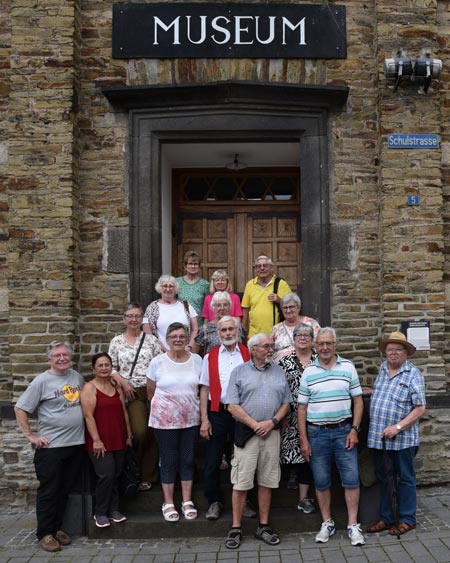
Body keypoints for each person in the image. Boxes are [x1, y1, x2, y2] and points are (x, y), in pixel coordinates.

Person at [14, 341, 85, 553]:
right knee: (49, 491)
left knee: (64, 490)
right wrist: (30, 435)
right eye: (57, 356)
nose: (62, 358)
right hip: (51, 447)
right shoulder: (41, 382)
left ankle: (56, 528)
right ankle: (44, 533)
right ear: (50, 359)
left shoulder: (76, 377)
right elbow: (20, 408)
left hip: (75, 445)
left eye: (65, 355)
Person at [297, 327, 365, 546]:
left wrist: (354, 429)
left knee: (351, 479)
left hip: (344, 431)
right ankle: (327, 522)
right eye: (321, 344)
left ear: (335, 345)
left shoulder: (348, 367)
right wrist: (304, 439)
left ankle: (353, 525)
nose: (324, 347)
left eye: (329, 343)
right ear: (315, 346)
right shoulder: (309, 371)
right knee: (322, 480)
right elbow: (301, 408)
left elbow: (358, 401)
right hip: (317, 434)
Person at [224, 333, 292, 549]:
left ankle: (263, 525)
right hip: (247, 434)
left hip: (271, 433)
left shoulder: (279, 371)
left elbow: (286, 403)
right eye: (265, 347)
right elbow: (231, 405)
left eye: (271, 346)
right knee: (242, 482)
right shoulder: (239, 372)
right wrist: (255, 425)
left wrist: (272, 422)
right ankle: (236, 528)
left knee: (267, 481)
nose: (270, 350)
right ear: (253, 349)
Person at [366, 331, 426, 536]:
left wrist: (398, 427)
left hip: (403, 439)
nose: (392, 353)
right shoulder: (383, 369)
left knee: (406, 478)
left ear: (405, 353)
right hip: (380, 437)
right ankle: (387, 517)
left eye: (397, 350)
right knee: (384, 478)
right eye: (389, 350)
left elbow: (419, 408)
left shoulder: (413, 374)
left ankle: (407, 519)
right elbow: (387, 394)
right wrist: (370, 393)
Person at [146, 322, 202, 522]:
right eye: (173, 337)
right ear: (167, 340)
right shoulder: (157, 362)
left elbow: (202, 389)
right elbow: (151, 392)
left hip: (191, 419)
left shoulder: (197, 360)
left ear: (187, 339)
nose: (178, 340)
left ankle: (187, 500)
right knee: (168, 460)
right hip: (165, 422)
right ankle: (168, 501)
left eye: (181, 336)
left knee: (187, 459)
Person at [199, 316, 251, 521]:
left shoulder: (248, 354)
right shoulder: (209, 357)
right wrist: (204, 419)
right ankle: (214, 502)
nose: (228, 333)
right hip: (217, 412)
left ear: (237, 331)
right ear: (218, 333)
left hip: (242, 413)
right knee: (212, 460)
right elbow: (204, 388)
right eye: (223, 330)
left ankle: (245, 501)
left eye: (231, 329)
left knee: (243, 459)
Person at [108, 302, 162, 491]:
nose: (134, 319)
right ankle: (135, 469)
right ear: (124, 318)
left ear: (142, 319)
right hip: (131, 392)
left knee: (154, 431)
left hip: (152, 389)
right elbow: (111, 368)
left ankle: (149, 475)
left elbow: (160, 364)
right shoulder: (116, 341)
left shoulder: (151, 340)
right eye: (130, 316)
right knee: (139, 432)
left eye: (137, 316)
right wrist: (124, 384)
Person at [81, 353, 133, 528]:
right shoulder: (89, 388)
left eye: (107, 365)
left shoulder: (115, 386)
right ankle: (100, 512)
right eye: (100, 365)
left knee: (116, 474)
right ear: (93, 369)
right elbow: (88, 416)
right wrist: (96, 440)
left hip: (118, 437)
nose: (104, 368)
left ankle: (114, 509)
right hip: (99, 440)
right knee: (106, 474)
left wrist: (128, 434)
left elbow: (124, 412)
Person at [277, 323, 316, 511]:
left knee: (310, 456)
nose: (302, 337)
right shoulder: (284, 361)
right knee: (297, 454)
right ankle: (294, 483)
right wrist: (281, 416)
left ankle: (305, 496)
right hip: (291, 414)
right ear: (294, 339)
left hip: (317, 414)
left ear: (312, 339)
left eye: (307, 335)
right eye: (299, 335)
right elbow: (279, 388)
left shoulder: (320, 359)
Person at [143, 274, 198, 351]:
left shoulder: (186, 305)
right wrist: (165, 351)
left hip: (185, 353)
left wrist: (189, 347)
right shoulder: (151, 308)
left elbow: (195, 329)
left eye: (171, 286)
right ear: (160, 288)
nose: (168, 289)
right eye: (165, 286)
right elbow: (148, 334)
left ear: (176, 289)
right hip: (161, 353)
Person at [241, 255, 292, 338]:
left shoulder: (281, 284)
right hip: (254, 335)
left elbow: (292, 306)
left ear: (271, 268)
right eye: (258, 266)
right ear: (255, 269)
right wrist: (243, 333)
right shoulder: (250, 284)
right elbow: (245, 310)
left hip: (276, 334)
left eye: (265, 265)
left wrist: (279, 300)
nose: (262, 268)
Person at [271, 293, 320, 362]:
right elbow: (270, 350)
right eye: (285, 307)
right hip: (280, 369)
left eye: (291, 307)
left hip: (306, 366)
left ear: (298, 308)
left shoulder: (311, 323)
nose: (288, 310)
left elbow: (320, 344)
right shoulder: (277, 328)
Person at [194, 291, 246, 356]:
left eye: (225, 305)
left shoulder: (238, 326)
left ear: (230, 307)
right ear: (213, 308)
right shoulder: (205, 329)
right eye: (218, 305)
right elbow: (196, 354)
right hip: (213, 364)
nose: (222, 308)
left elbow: (244, 349)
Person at [176, 250, 210, 324]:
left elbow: (207, 307)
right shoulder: (177, 282)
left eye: (195, 264)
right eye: (190, 264)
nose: (193, 266)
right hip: (181, 322)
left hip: (199, 323)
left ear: (199, 266)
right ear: (185, 266)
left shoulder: (205, 284)